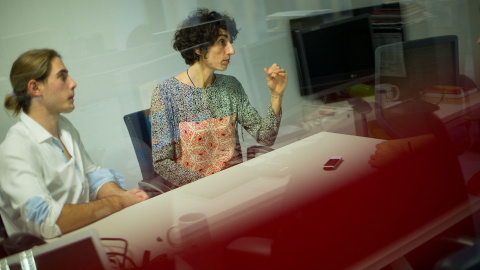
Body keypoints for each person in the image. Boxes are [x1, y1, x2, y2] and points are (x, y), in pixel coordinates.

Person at [0, 49, 149, 239]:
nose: (73, 83)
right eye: (62, 77)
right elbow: (46, 221)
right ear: (35, 88)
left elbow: (92, 176)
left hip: (85, 238)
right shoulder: (15, 149)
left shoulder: (64, 127)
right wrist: (118, 203)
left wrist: (125, 197)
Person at [150, 8, 288, 188]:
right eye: (222, 42)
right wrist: (208, 186)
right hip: (198, 194)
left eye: (230, 42)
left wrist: (276, 95)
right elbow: (162, 162)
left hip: (238, 185)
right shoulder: (165, 93)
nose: (231, 50)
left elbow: (265, 138)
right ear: (199, 48)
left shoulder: (231, 86)